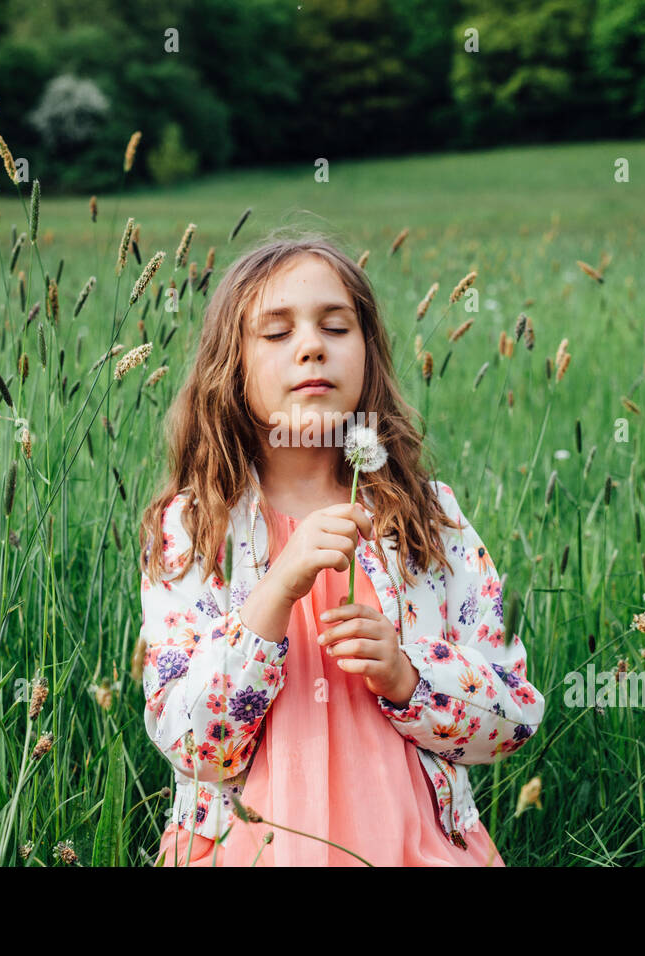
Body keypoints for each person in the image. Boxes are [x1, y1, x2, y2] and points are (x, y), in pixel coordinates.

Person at [137, 231, 544, 866]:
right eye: (276, 334)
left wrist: (407, 674)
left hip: (413, 849)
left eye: (336, 326)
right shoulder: (194, 529)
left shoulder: (427, 519)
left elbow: (513, 717)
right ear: (229, 366)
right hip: (244, 850)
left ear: (368, 355)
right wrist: (274, 593)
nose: (311, 347)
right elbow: (191, 743)